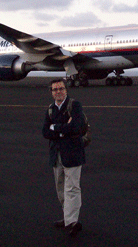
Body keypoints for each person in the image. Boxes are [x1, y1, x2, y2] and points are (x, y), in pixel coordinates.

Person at [42, 78, 86, 237]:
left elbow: (75, 127)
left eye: (61, 88)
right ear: (52, 93)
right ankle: (67, 216)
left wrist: (56, 128)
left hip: (73, 153)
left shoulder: (74, 105)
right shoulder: (50, 109)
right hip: (56, 154)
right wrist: (63, 130)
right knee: (60, 189)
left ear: (66, 90)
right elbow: (45, 132)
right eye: (55, 89)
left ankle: (72, 222)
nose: (58, 91)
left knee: (72, 188)